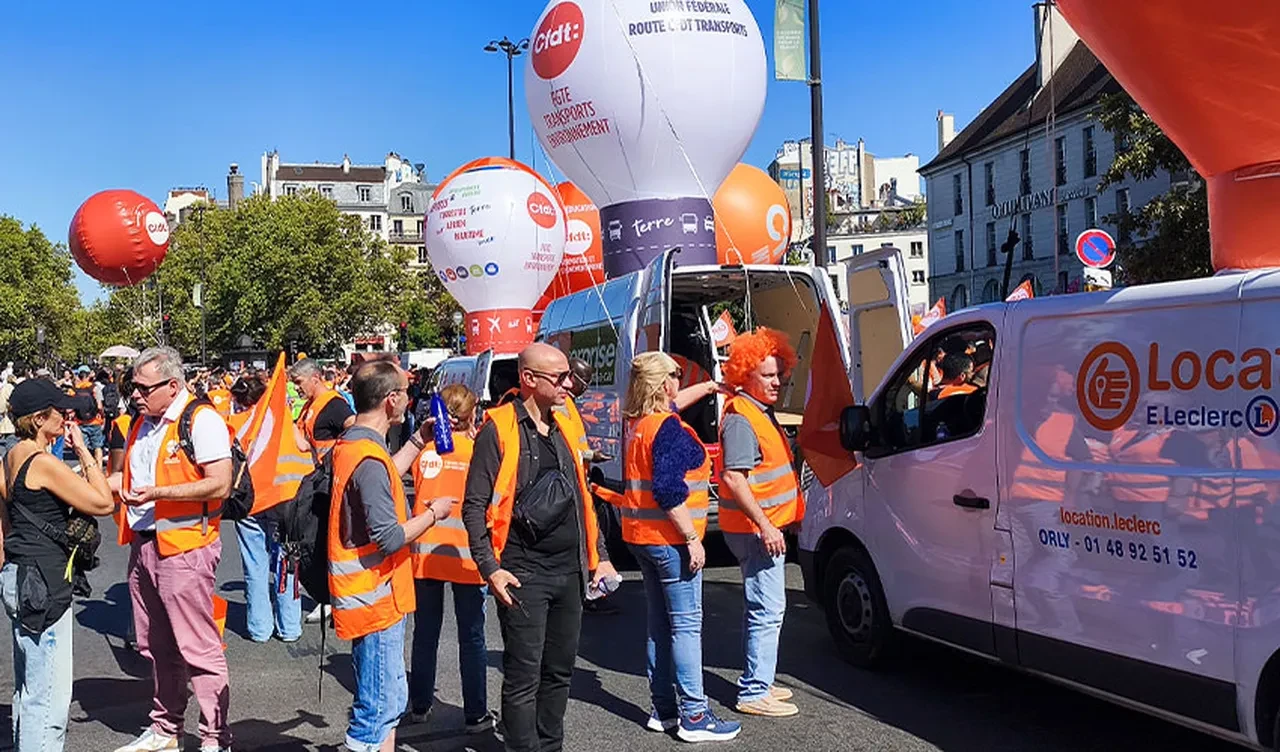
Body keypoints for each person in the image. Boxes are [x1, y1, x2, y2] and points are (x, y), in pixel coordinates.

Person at [462, 342, 617, 752]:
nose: (571, 384)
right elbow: (474, 505)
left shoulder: (564, 424)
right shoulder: (499, 429)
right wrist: (490, 568)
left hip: (570, 571)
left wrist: (599, 558)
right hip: (522, 572)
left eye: (569, 376)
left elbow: (583, 497)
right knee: (523, 674)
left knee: (559, 671)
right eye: (561, 378)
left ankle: (551, 746)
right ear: (529, 380)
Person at [109, 347, 234, 752]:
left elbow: (220, 483)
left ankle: (216, 737)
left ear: (173, 385)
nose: (135, 396)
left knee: (198, 647)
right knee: (156, 645)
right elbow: (124, 477)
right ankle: (166, 729)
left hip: (185, 549)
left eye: (144, 388)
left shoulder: (201, 420)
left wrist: (160, 493)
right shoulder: (140, 423)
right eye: (133, 387)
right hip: (145, 545)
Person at [328, 360, 452, 752]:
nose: (410, 400)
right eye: (405, 392)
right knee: (377, 708)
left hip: (372, 595)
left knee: (387, 701)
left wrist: (417, 443)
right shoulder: (367, 455)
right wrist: (434, 514)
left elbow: (382, 479)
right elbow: (390, 537)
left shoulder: (356, 444)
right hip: (376, 597)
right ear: (391, 400)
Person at [621, 352, 741, 742]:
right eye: (675, 375)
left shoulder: (639, 424)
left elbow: (673, 404)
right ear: (662, 385)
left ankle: (664, 709)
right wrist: (692, 539)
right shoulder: (668, 429)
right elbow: (669, 491)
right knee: (687, 627)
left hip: (641, 538)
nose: (679, 379)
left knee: (659, 626)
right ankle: (694, 715)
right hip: (671, 541)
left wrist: (709, 388)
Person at [0, 379, 114, 751]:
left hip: (20, 575)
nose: (67, 416)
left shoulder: (10, 456)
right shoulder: (43, 461)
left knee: (29, 688)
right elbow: (102, 503)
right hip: (44, 584)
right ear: (37, 419)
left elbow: (7, 521)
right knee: (47, 699)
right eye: (59, 412)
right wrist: (83, 451)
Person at [718, 328, 803, 718]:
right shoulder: (741, 417)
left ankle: (761, 681)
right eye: (768, 375)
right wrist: (768, 527)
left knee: (768, 606)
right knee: (767, 608)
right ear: (743, 375)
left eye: (778, 374)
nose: (777, 381)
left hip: (762, 528)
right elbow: (735, 478)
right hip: (755, 532)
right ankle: (754, 691)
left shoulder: (755, 411)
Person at [404, 383, 495, 732]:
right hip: (467, 554)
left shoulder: (425, 450)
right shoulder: (477, 451)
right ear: (471, 414)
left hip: (425, 551)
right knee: (472, 636)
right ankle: (475, 713)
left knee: (425, 633)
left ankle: (420, 705)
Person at [224, 373, 304, 644]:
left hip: (248, 501)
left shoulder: (233, 423)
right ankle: (289, 626)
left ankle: (259, 628)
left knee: (254, 564)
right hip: (284, 497)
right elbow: (304, 445)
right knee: (287, 562)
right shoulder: (281, 418)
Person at [291, 358, 355, 624]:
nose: (296, 389)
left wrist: (337, 458)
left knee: (329, 541)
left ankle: (336, 597)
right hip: (320, 480)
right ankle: (328, 596)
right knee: (319, 541)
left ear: (315, 378)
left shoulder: (334, 404)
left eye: (298, 383)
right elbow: (305, 445)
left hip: (333, 481)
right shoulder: (309, 407)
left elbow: (353, 426)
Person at [72, 366, 106, 469]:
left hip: (80, 422)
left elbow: (71, 407)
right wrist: (102, 416)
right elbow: (99, 406)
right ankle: (99, 468)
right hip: (95, 421)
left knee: (83, 448)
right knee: (98, 447)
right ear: (88, 376)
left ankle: (84, 470)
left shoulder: (74, 390)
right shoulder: (95, 388)